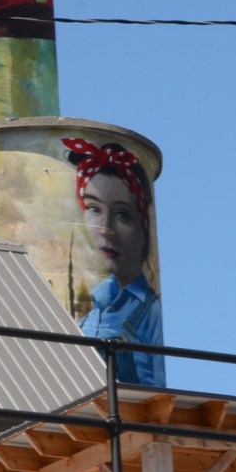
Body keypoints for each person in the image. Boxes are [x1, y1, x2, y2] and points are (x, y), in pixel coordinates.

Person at [63, 137, 165, 386]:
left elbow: (155, 392)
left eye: (122, 214)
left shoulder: (148, 311)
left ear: (144, 229)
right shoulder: (91, 313)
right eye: (94, 209)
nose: (106, 229)